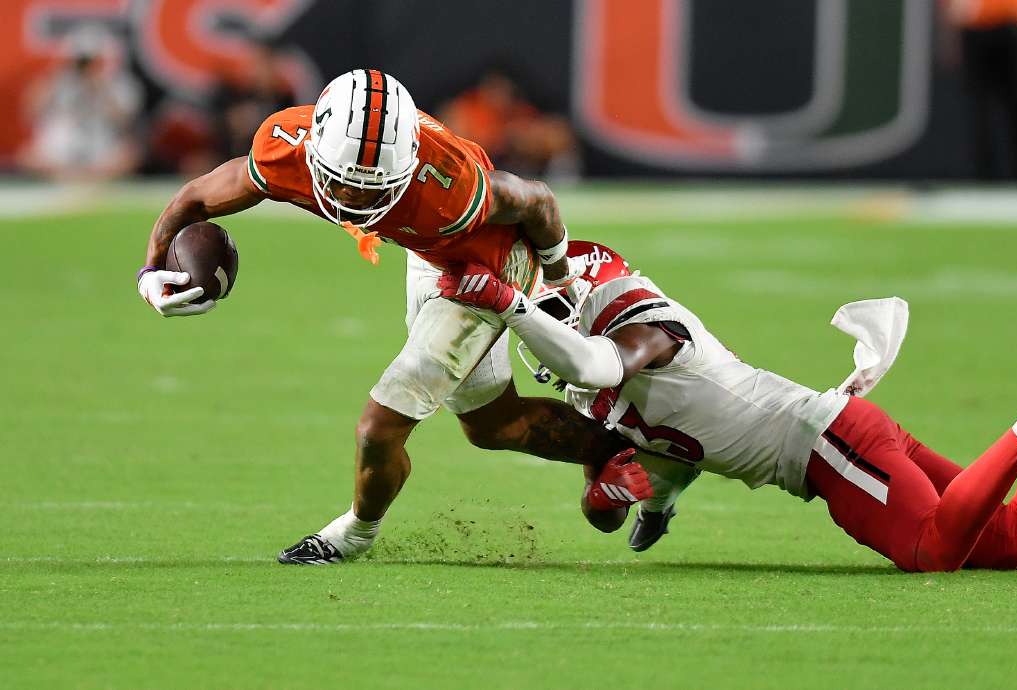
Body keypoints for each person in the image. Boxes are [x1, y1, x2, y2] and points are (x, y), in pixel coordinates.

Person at [136, 70, 651, 565]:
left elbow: (536, 200)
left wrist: (559, 282)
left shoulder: (447, 184)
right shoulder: (286, 144)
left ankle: (354, 534)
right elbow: (198, 196)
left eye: (371, 189)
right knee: (492, 425)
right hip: (427, 248)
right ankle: (628, 452)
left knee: (380, 425)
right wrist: (151, 270)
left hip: (485, 263)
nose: (355, 199)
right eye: (344, 184)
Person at [437, 242, 1017, 572]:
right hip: (848, 435)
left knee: (932, 552)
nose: (556, 319)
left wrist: (509, 305)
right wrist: (631, 499)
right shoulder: (600, 370)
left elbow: (607, 362)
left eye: (559, 306)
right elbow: (630, 481)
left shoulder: (637, 332)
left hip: (826, 448)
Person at [937, 0, 1017, 180]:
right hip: (975, 26)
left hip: (1016, 24)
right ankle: (985, 177)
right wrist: (948, 37)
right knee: (979, 109)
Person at [17, 26, 142, 182]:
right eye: (82, 61)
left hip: (101, 144)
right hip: (61, 146)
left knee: (129, 155)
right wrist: (57, 75)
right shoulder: (58, 81)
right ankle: (75, 179)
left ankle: (81, 180)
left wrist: (100, 86)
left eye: (92, 61)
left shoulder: (119, 83)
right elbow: (31, 112)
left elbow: (125, 122)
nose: (86, 66)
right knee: (29, 156)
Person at [440, 69, 580, 181]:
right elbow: (450, 144)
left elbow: (556, 137)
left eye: (503, 89)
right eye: (493, 88)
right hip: (473, 174)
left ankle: (564, 190)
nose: (498, 95)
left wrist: (522, 141)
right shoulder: (466, 110)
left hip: (519, 173)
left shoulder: (518, 112)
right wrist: (498, 139)